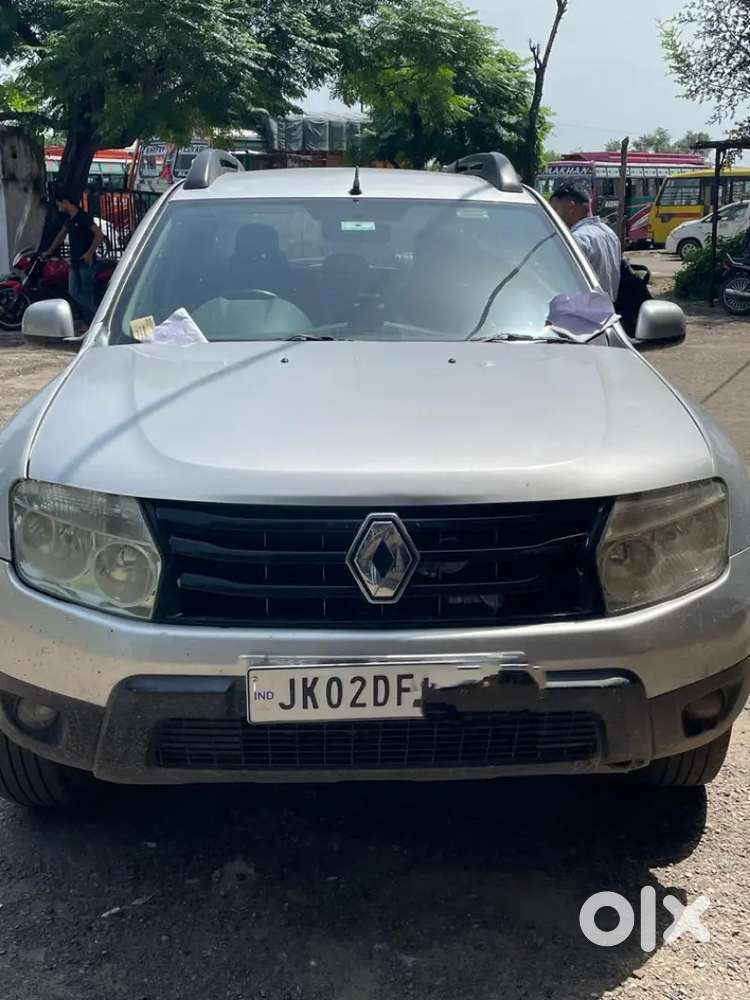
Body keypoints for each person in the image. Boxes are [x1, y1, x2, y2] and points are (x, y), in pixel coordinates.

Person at [550, 180, 621, 302]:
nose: (553, 217)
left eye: (555, 210)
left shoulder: (576, 239)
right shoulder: (610, 234)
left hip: (580, 315)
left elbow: (562, 285)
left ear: (571, 207)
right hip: (608, 314)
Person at [42, 188, 103, 328]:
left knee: (87, 293)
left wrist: (89, 253)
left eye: (59, 204)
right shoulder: (69, 220)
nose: (58, 207)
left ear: (66, 202)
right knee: (74, 292)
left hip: (86, 261)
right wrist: (49, 251)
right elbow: (61, 236)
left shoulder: (83, 217)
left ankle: (94, 321)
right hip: (74, 261)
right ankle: (94, 319)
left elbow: (99, 234)